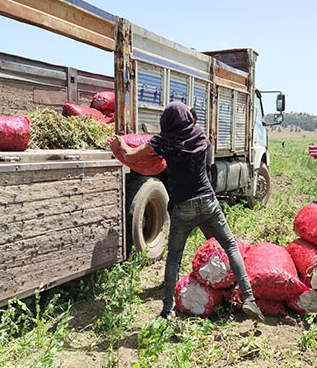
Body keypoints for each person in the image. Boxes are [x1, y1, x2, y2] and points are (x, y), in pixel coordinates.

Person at [110, 101, 265, 323]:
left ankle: (167, 311)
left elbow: (133, 155)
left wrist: (120, 145)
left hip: (183, 206)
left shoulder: (164, 140)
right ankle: (248, 298)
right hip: (208, 202)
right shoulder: (200, 135)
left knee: (174, 257)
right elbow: (208, 167)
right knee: (230, 246)